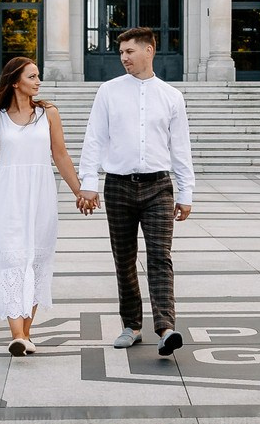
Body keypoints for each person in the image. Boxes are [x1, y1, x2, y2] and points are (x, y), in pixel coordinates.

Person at [75, 26, 195, 356]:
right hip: (118, 187)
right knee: (124, 260)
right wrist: (88, 183)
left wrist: (186, 193)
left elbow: (180, 148)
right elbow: (94, 139)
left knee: (160, 258)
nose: (124, 58)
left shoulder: (172, 97)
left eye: (129, 52)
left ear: (148, 51)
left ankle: (166, 328)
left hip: (158, 186)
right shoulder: (108, 92)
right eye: (122, 52)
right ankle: (131, 325)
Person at [0, 56, 89, 355]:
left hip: (40, 195)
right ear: (15, 82)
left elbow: (60, 155)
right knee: (12, 260)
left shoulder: (48, 113)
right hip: (6, 196)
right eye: (32, 76)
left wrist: (81, 191)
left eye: (38, 76)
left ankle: (24, 334)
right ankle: (17, 334)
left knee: (36, 261)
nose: (38, 81)